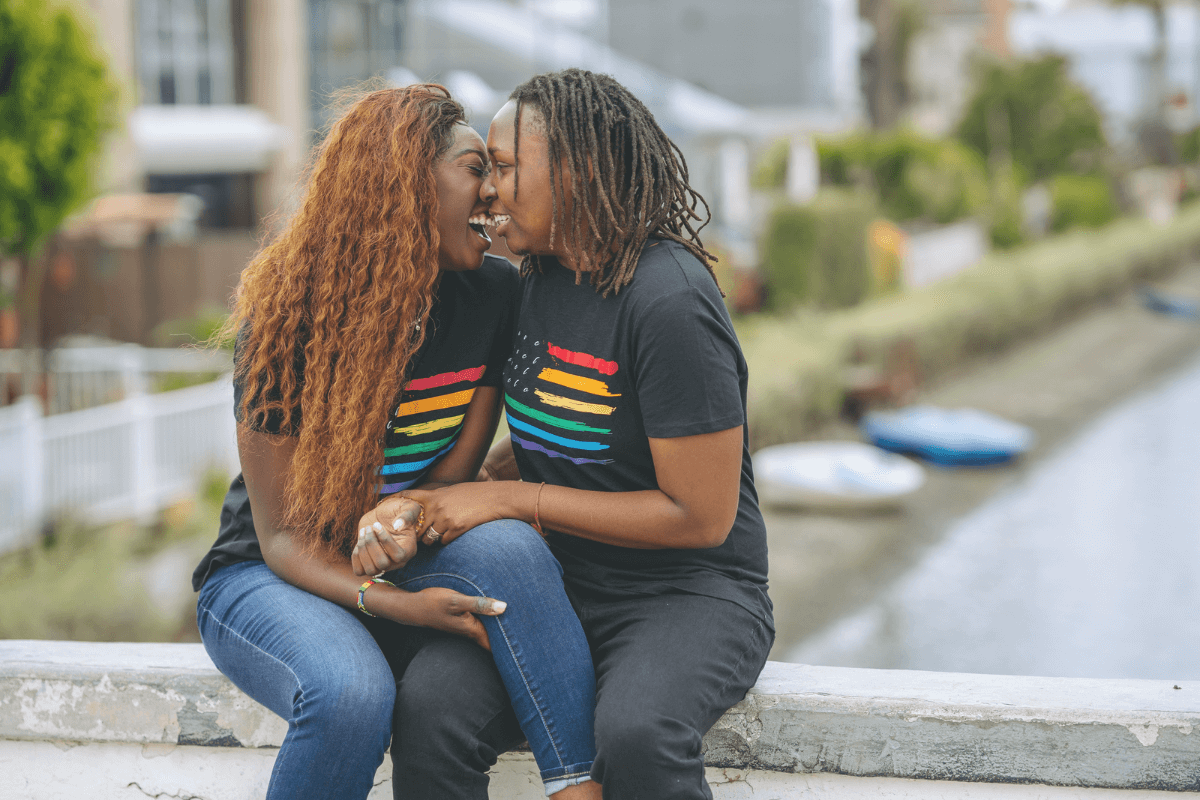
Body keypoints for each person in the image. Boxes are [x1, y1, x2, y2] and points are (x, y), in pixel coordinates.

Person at [358, 68, 774, 799]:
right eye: (483, 168)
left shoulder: (668, 299)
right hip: (563, 584)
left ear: (578, 173)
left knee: (637, 737)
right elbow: (573, 430)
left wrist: (514, 501)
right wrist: (440, 497)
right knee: (429, 712)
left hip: (689, 594)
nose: (487, 188)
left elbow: (702, 516)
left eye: (507, 167)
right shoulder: (537, 281)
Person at [191, 84, 599, 800]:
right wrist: (399, 604)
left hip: (399, 552)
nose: (493, 194)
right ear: (408, 181)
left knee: (511, 546)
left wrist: (404, 520)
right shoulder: (287, 318)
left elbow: (448, 477)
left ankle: (576, 786)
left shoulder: (493, 296)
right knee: (351, 693)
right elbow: (284, 539)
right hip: (270, 573)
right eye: (477, 168)